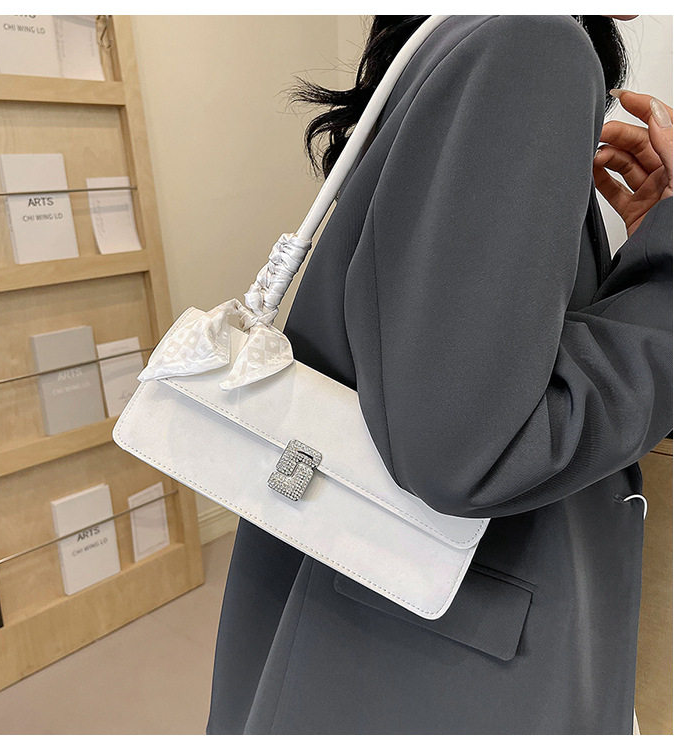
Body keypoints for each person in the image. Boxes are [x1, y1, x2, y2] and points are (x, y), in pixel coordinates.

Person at [205, 14, 672, 734]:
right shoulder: (533, 42)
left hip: (378, 624)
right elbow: (470, 454)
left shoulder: (470, 35)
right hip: (445, 660)